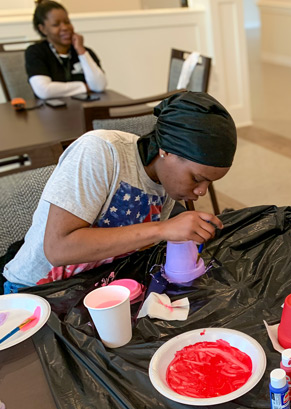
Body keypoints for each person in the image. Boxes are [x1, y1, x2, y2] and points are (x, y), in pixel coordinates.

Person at [3, 91, 236, 293]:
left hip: (97, 285)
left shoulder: (166, 185)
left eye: (209, 184)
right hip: (36, 291)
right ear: (167, 151)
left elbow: (136, 245)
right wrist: (162, 229)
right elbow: (58, 249)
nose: (202, 192)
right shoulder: (100, 152)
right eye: (196, 178)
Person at [26, 0, 107, 99]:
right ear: (42, 29)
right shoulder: (36, 52)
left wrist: (81, 52)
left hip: (86, 109)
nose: (64, 27)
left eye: (67, 22)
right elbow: (44, 90)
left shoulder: (84, 51)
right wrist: (84, 87)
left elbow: (99, 86)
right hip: (51, 112)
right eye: (56, 24)